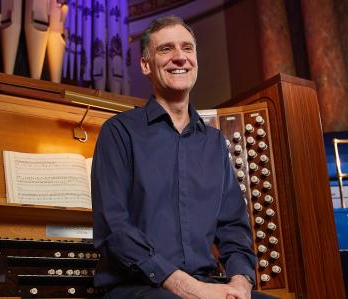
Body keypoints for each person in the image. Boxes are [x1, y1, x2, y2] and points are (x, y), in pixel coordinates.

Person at [91, 16, 258, 299]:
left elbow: (233, 227)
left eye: (187, 48)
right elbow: (114, 228)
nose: (180, 57)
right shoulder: (119, 132)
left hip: (204, 285)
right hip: (137, 287)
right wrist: (187, 287)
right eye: (166, 49)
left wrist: (240, 284)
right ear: (146, 65)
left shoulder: (214, 142)